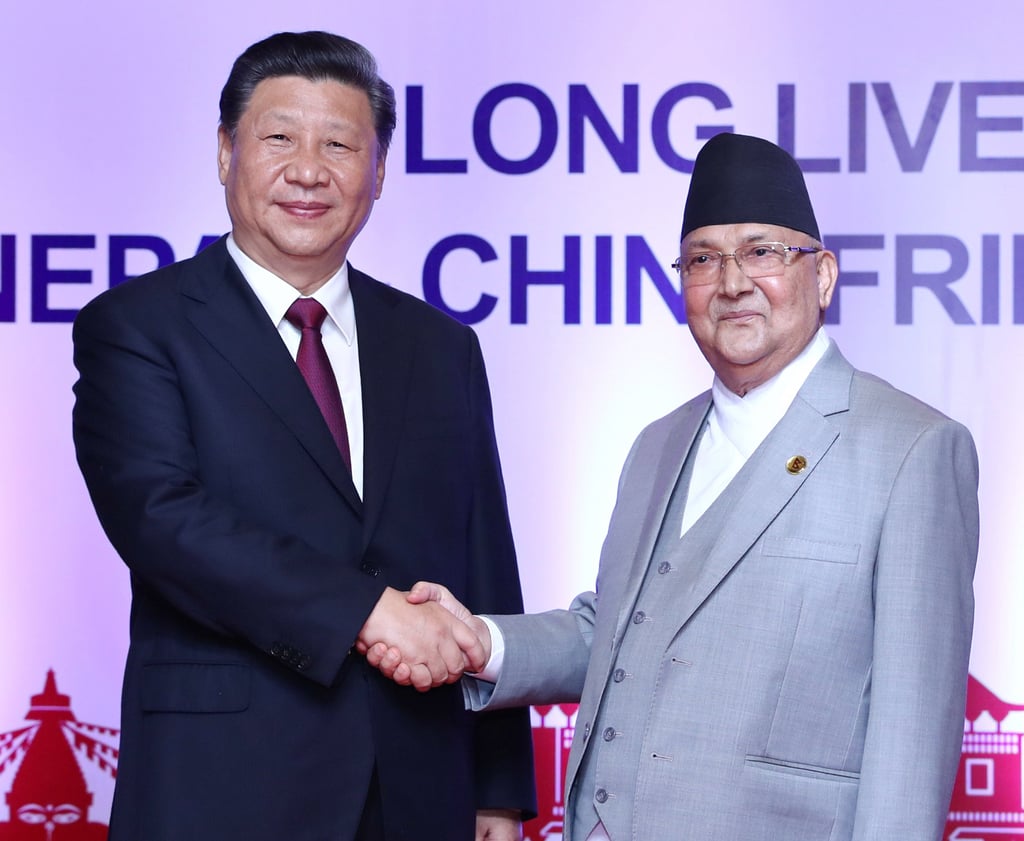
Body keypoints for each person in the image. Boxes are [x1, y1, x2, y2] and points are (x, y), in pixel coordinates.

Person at [372, 133, 980, 840]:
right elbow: (620, 633)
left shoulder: (910, 449)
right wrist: (480, 640)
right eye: (703, 259)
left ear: (823, 276)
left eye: (763, 251)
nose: (731, 283)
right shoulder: (657, 443)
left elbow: (912, 741)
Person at [71, 30, 534, 841]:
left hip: (418, 783)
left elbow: (482, 555)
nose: (308, 169)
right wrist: (367, 613)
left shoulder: (440, 346)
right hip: (220, 785)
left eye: (340, 144)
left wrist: (496, 782)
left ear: (379, 173)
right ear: (225, 151)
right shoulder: (138, 326)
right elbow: (163, 520)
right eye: (279, 137)